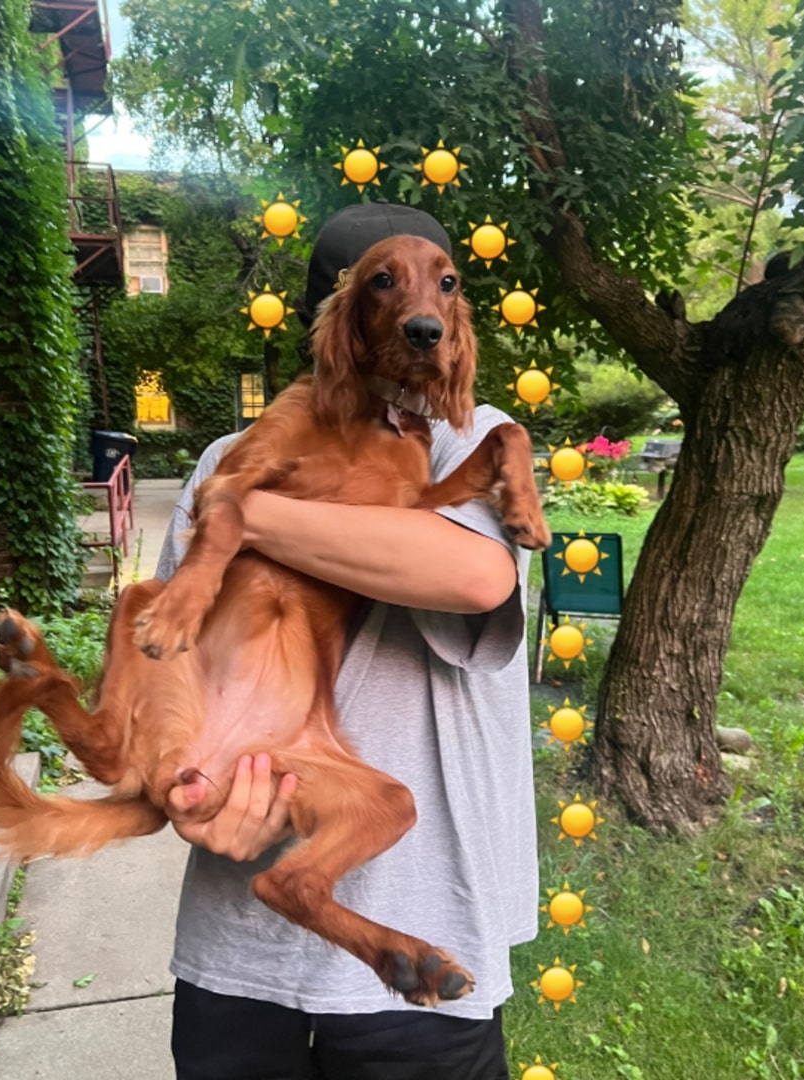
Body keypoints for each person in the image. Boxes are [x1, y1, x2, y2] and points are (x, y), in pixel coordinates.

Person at [155, 202, 539, 1080]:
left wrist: (244, 513)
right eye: (385, 291)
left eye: (440, 292)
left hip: (426, 936)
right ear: (336, 327)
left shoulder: (476, 443)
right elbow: (184, 661)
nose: (419, 316)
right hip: (238, 952)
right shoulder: (231, 453)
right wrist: (188, 794)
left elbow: (474, 577)